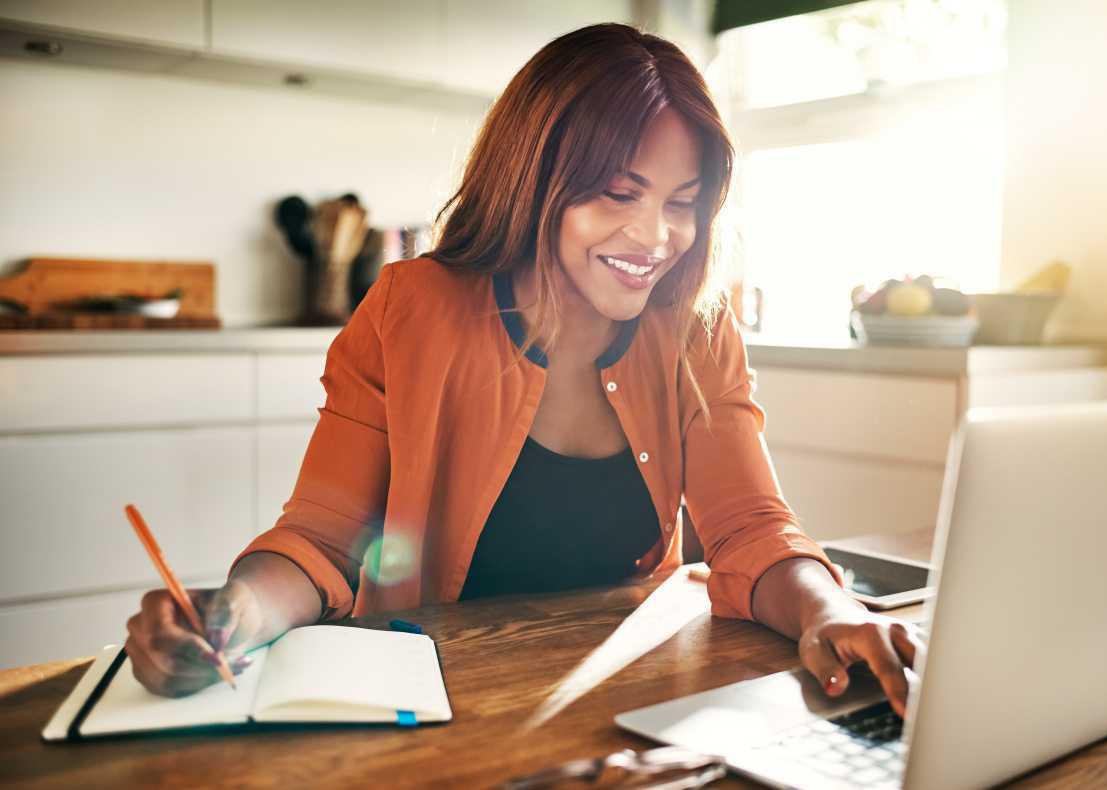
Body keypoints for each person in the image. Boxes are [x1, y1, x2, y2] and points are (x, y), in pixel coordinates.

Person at [124, 23, 924, 717]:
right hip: (427, 702)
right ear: (535, 179)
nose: (657, 236)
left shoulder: (696, 326)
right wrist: (237, 613)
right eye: (619, 194)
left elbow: (750, 528)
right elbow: (323, 541)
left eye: (682, 202)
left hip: (621, 695)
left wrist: (829, 611)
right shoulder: (411, 309)